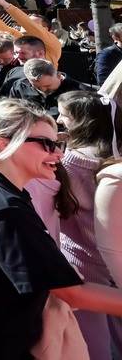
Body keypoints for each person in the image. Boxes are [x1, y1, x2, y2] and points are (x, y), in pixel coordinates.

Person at [0, 99, 122, 359]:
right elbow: (73, 293)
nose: (59, 153)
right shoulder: (1, 206)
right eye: (47, 144)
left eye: (58, 143)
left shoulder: (0, 188)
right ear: (3, 143)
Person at [56, 90, 122, 360]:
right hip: (111, 253)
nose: (59, 120)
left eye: (63, 115)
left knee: (91, 338)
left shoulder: (72, 162)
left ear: (81, 120)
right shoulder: (112, 153)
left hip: (81, 254)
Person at [0, 0, 62, 68]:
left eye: (33, 24)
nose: (25, 26)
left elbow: (27, 23)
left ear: (46, 29)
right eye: (24, 23)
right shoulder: (20, 38)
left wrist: (4, 4)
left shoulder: (52, 43)